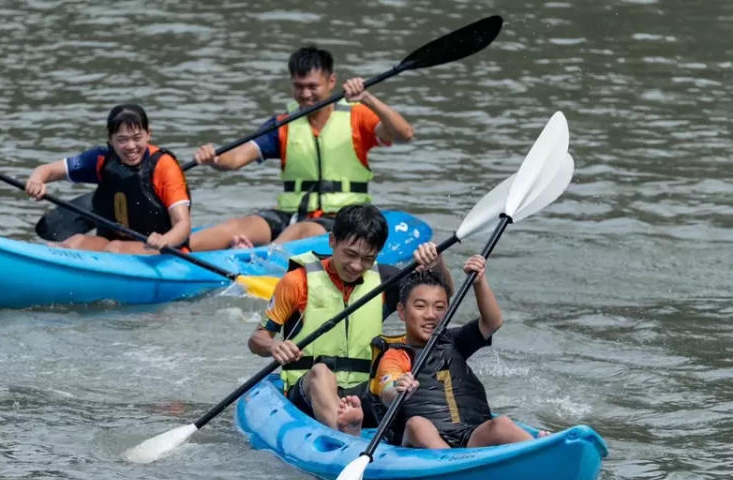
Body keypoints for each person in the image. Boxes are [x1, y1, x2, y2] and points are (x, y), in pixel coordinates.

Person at [248, 204, 453, 436]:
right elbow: (257, 340)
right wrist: (274, 346)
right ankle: (344, 429)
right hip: (308, 391)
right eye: (350, 254)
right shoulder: (297, 281)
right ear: (332, 241)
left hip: (363, 391)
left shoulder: (384, 280)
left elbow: (440, 297)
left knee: (401, 381)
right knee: (320, 372)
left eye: (368, 259)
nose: (357, 266)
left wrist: (437, 263)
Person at [188, 45, 414, 251]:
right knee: (238, 226)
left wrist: (368, 99)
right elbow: (236, 159)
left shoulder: (358, 116)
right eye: (299, 86)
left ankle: (257, 259)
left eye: (312, 87)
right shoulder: (283, 124)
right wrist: (214, 159)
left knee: (303, 230)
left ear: (331, 82)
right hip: (290, 214)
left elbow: (404, 135)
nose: (305, 95)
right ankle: (166, 250)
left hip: (342, 219)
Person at [373, 263, 548, 449]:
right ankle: (453, 469)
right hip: (421, 445)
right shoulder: (396, 355)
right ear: (402, 311)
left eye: (439, 307)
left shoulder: (453, 341)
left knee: (501, 424)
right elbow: (387, 391)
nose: (430, 315)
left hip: (469, 439)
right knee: (418, 425)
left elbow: (492, 322)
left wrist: (479, 281)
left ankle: (543, 452)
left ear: (447, 311)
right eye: (420, 306)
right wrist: (399, 390)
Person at [24, 104, 191, 254]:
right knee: (75, 242)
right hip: (112, 243)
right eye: (122, 140)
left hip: (161, 250)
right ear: (110, 139)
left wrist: (165, 240)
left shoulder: (165, 166)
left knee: (115, 248)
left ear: (148, 135)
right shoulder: (101, 159)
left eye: (137, 138)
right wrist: (36, 180)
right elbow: (48, 170)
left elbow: (182, 224)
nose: (131, 146)